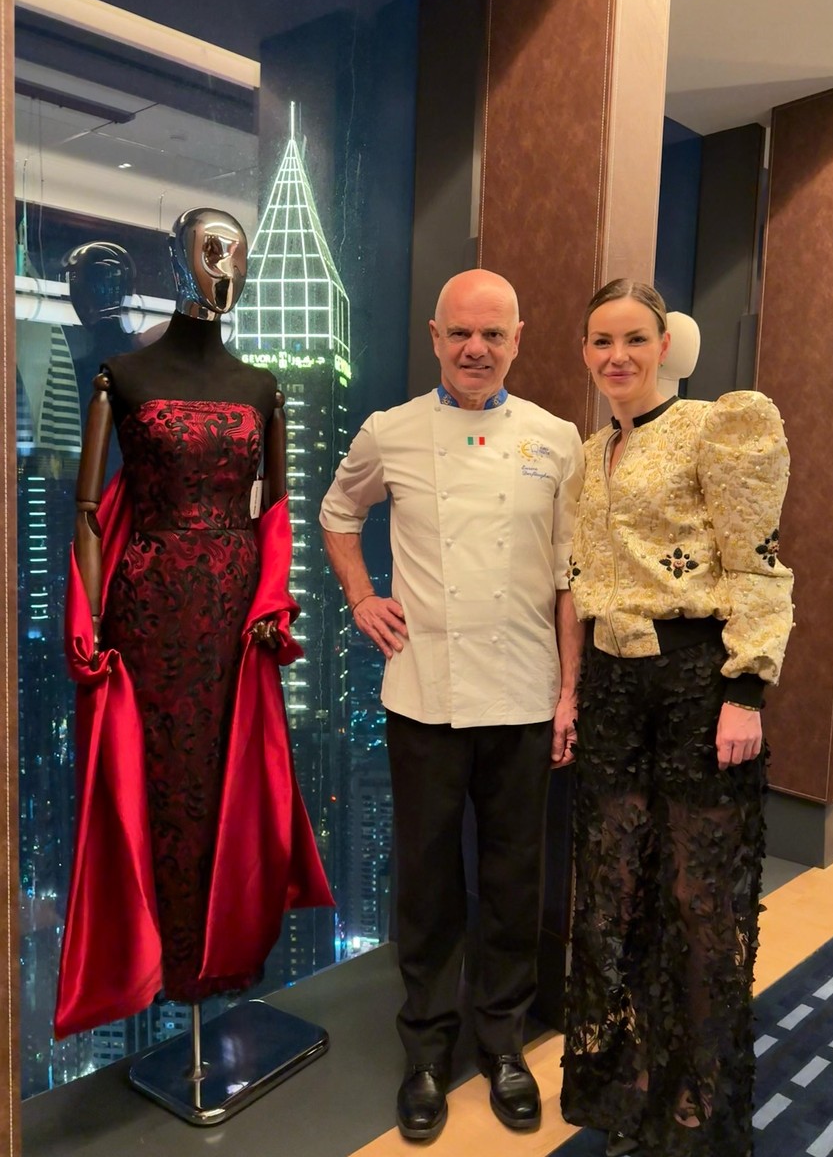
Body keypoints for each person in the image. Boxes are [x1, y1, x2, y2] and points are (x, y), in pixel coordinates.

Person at [320, 268, 584, 1140]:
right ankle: (428, 1051)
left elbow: (569, 576)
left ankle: (503, 1042)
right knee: (429, 884)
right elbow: (337, 512)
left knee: (514, 879)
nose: (476, 349)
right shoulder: (390, 431)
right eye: (461, 333)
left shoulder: (555, 438)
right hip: (423, 694)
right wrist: (362, 598)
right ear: (435, 337)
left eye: (493, 334)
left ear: (517, 340)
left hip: (522, 694)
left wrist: (568, 691)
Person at [57, 208, 332, 1038]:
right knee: (158, 781)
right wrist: (89, 621)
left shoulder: (261, 388)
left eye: (238, 254)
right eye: (212, 251)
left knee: (229, 778)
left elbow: (276, 512)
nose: (227, 267)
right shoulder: (121, 375)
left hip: (234, 618)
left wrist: (271, 602)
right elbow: (88, 512)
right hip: (148, 610)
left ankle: (223, 955)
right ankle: (166, 963)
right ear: (179, 261)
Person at [560, 279, 793, 1157]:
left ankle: (698, 1108)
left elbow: (758, 565)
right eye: (601, 341)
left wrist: (747, 690)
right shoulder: (591, 453)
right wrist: (573, 693)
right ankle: (633, 1087)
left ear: (665, 346)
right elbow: (582, 584)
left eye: (633, 339)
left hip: (697, 681)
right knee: (617, 890)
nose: (616, 356)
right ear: (585, 352)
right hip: (614, 689)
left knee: (700, 900)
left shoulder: (715, 428)